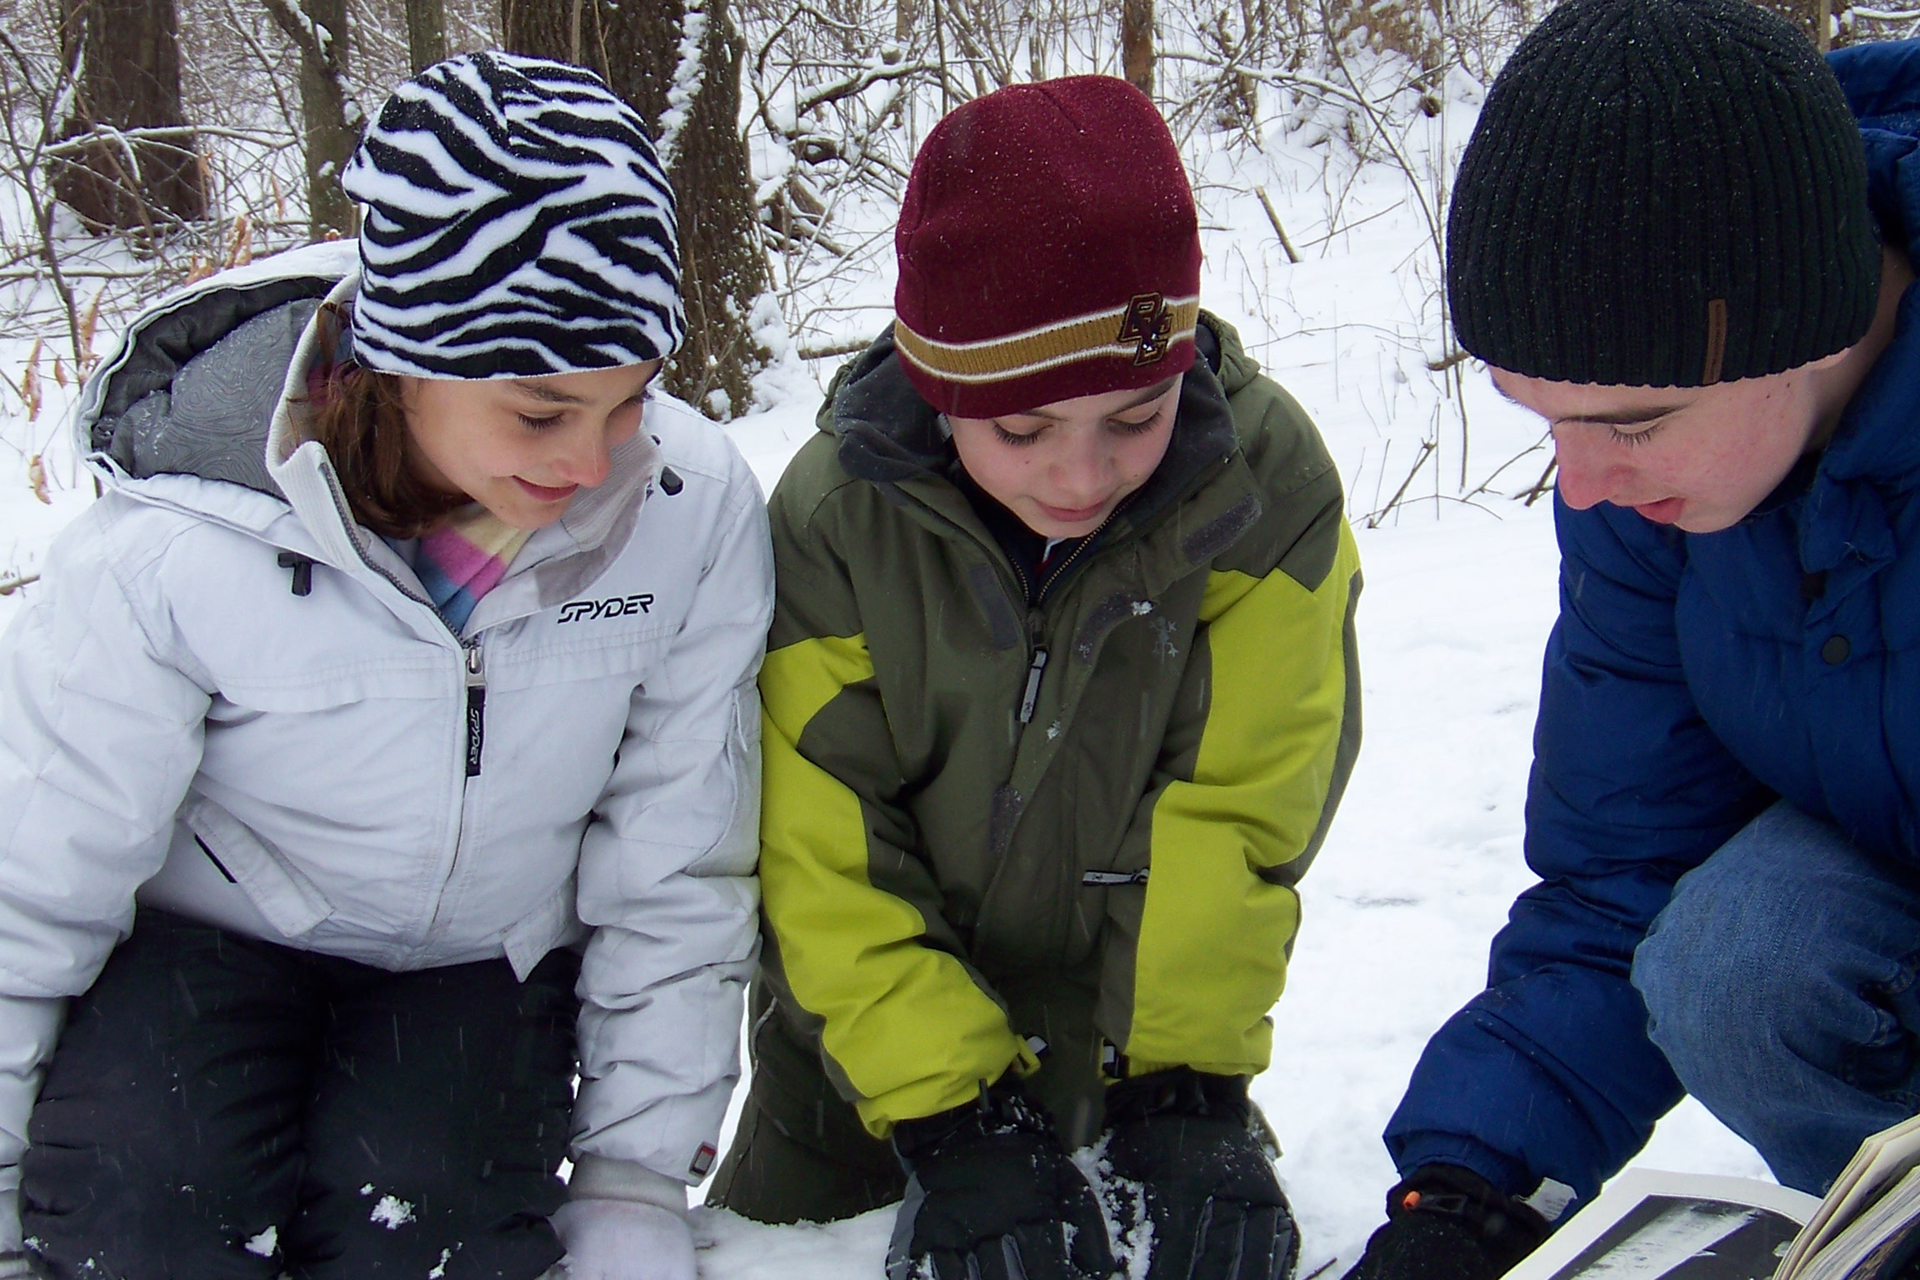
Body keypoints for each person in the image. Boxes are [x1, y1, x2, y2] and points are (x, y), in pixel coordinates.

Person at [0, 52, 770, 1280]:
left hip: (479, 959)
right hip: (209, 944)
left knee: (431, 1239)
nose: (595, 457)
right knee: (144, 1226)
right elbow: (39, 856)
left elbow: (677, 849)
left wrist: (633, 1181)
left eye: (630, 401)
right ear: (405, 355)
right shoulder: (192, 525)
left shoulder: (688, 504)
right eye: (540, 411)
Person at [702, 75, 1362, 1280]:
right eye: (1022, 429)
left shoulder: (1262, 493)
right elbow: (821, 843)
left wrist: (1187, 1089)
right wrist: (948, 1109)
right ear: (941, 385)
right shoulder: (839, 518)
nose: (1079, 473)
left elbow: (1243, 801)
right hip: (854, 1060)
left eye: (1137, 411)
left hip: (1138, 1049)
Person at [1342, 4, 1920, 1279]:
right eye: (1537, 415)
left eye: (1633, 421)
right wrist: (1468, 1199)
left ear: (1813, 319)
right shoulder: (1667, 498)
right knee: (1733, 954)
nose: (1583, 480)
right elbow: (1622, 879)